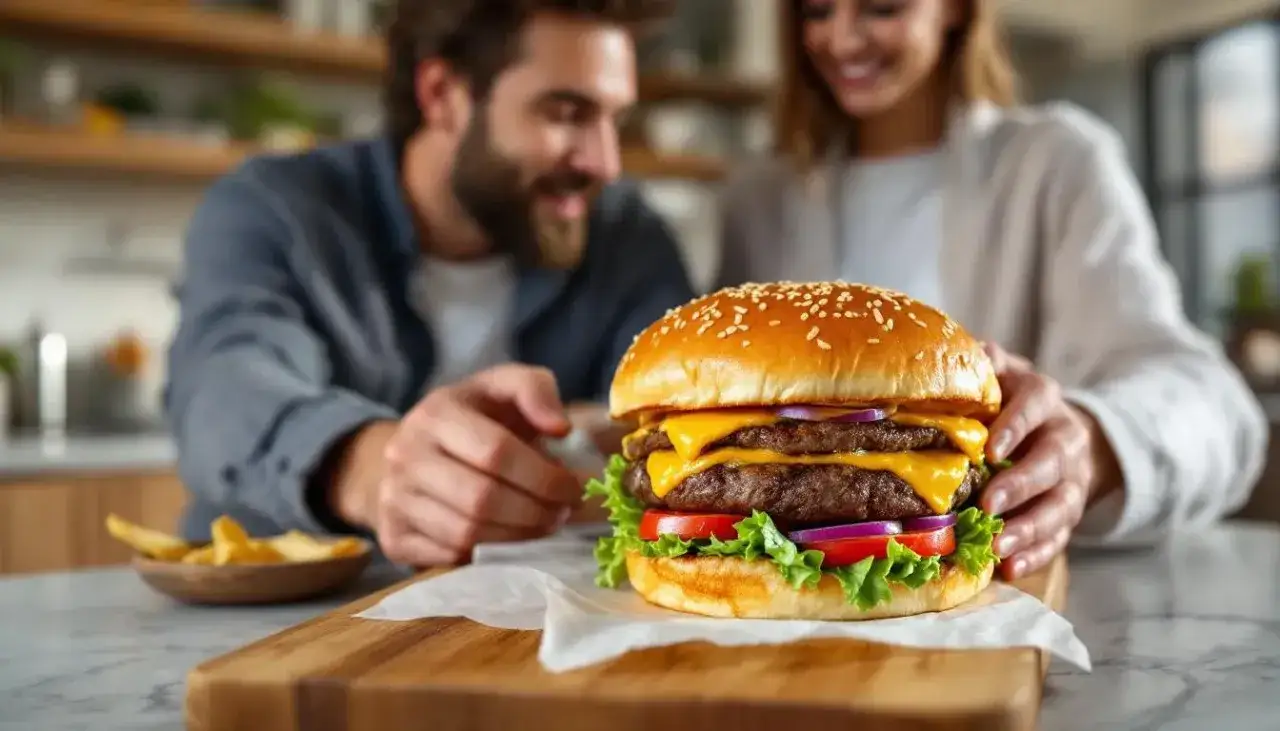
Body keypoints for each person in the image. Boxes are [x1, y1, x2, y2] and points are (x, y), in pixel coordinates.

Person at [713, 0, 1269, 580]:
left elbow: (1218, 410)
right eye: (817, 11)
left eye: (882, 9)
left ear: (955, 10)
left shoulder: (1058, 161)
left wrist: (1092, 444)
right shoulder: (756, 199)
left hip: (1024, 594)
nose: (843, 41)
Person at [164, 0, 695, 567]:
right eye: (566, 113)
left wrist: (581, 434)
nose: (606, 162)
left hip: (538, 622)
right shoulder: (275, 210)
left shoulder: (626, 233)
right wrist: (368, 468)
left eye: (615, 120)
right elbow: (221, 386)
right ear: (442, 94)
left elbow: (678, 409)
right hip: (291, 620)